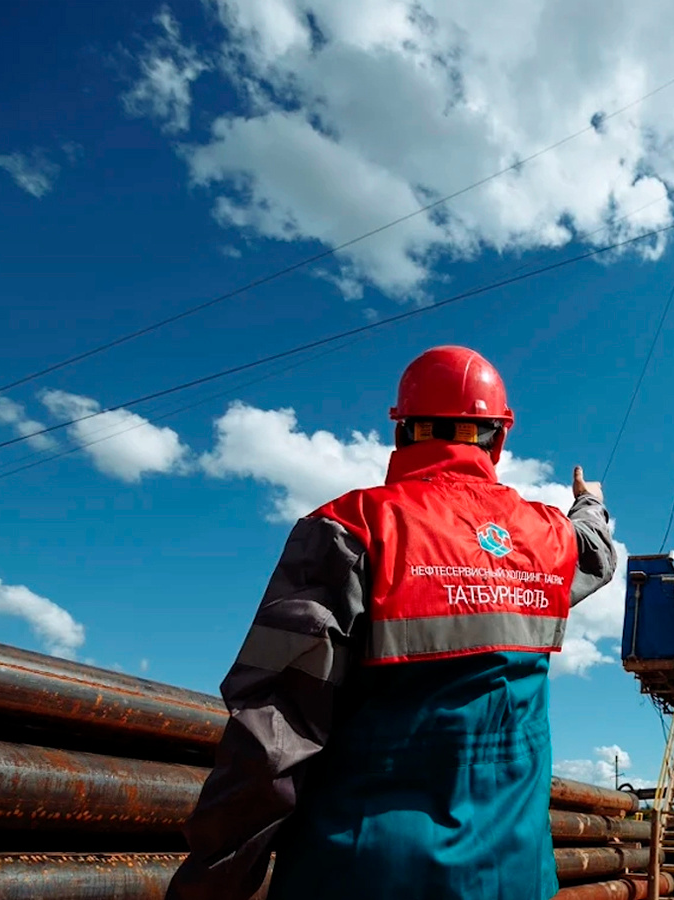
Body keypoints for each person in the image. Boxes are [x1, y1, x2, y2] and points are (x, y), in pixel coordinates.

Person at [165, 346, 618, 900]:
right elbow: (594, 552)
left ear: (401, 431)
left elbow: (271, 740)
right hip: (514, 880)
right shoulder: (547, 542)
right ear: (499, 439)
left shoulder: (350, 529)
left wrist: (210, 886)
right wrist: (589, 504)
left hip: (361, 875)